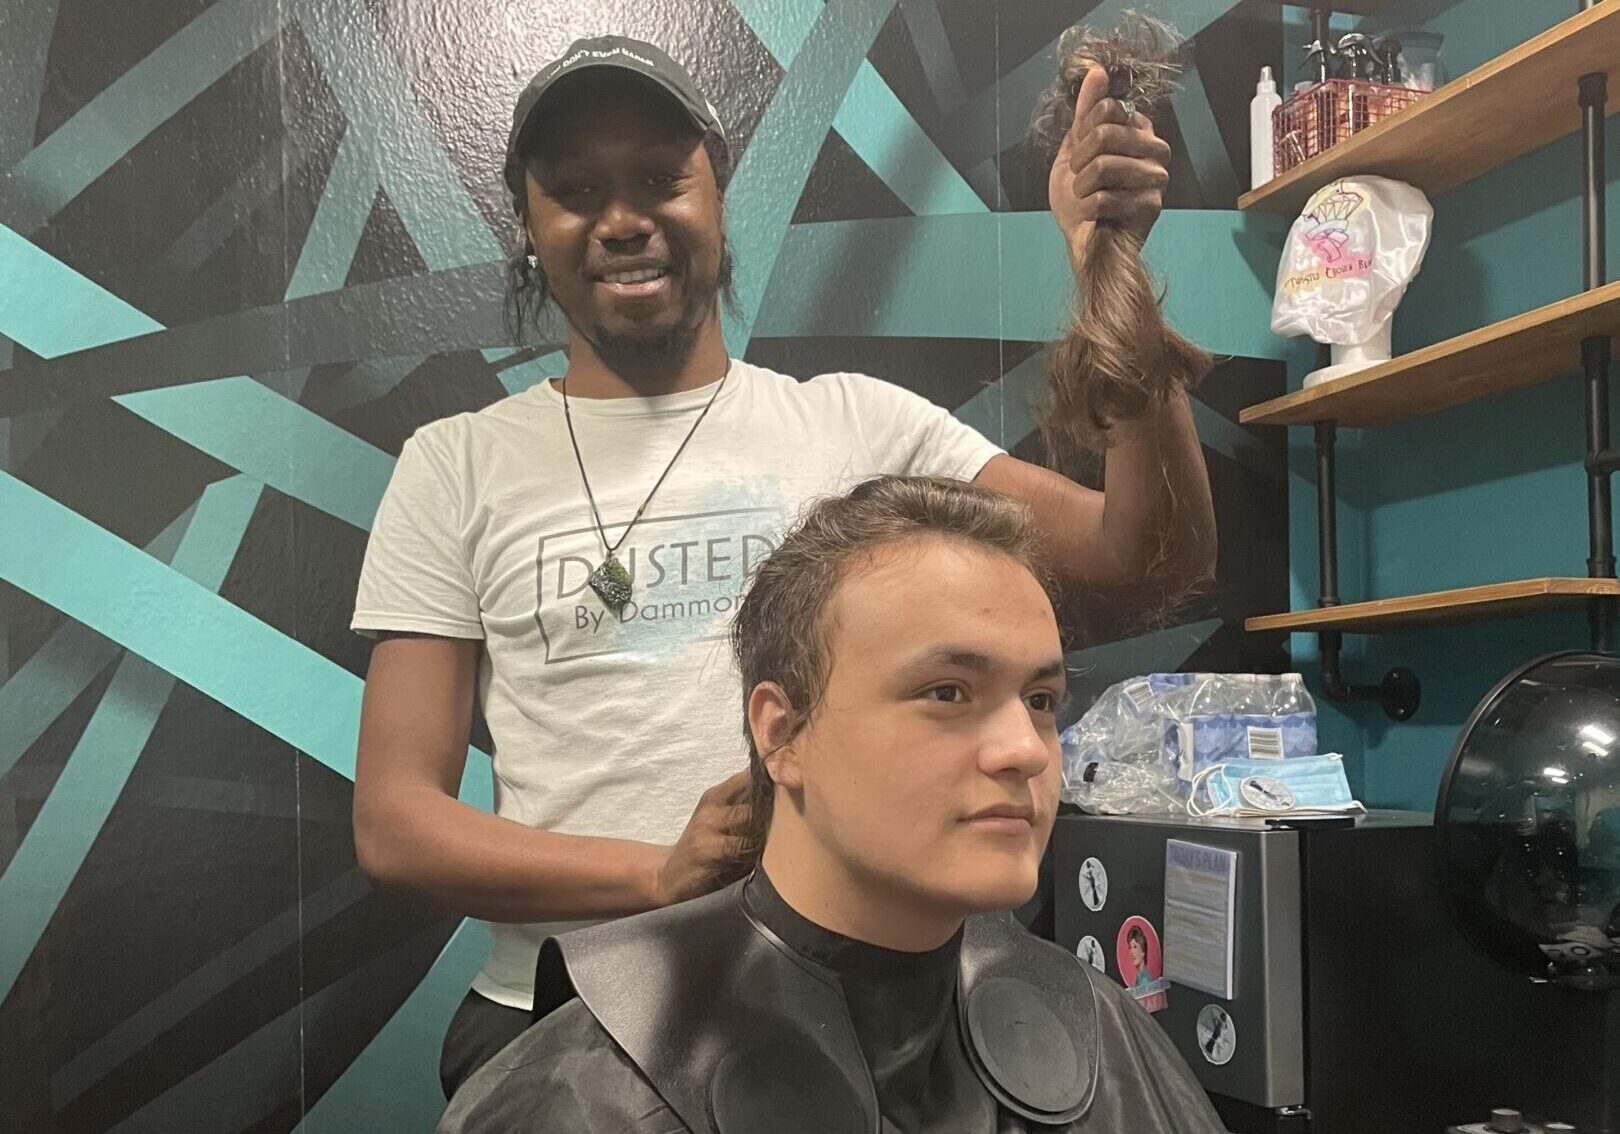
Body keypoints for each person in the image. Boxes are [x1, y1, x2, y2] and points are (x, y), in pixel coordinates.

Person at [350, 35, 1217, 1097]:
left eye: (661, 179)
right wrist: (654, 875)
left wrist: (1108, 260)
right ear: (529, 230)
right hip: (564, 1015)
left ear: (718, 197)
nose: (622, 219)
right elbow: (397, 821)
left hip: (859, 1013)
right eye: (575, 192)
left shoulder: (851, 423)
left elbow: (1145, 554)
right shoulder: (455, 466)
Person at [437, 476, 1229, 1133]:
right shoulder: (585, 1098)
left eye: (1042, 698)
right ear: (782, 734)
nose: (1025, 748)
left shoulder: (1104, 1035)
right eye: (947, 692)